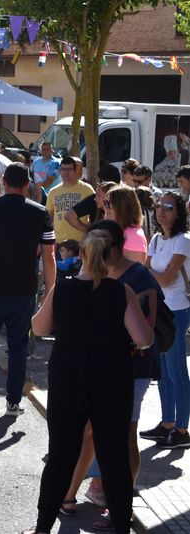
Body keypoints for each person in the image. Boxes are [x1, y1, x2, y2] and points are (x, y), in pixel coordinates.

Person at [25, 231, 152, 534]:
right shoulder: (122, 292)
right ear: (111, 257)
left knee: (60, 455)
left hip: (67, 375)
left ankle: (42, 528)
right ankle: (121, 526)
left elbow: (38, 328)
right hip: (112, 377)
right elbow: (144, 339)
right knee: (114, 456)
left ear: (81, 254)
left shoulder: (62, 289)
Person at [60, 220, 161, 527]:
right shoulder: (95, 275)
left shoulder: (138, 277)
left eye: (101, 244)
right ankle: (69, 496)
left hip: (132, 370)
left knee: (124, 437)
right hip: (101, 370)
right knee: (89, 433)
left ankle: (121, 508)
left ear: (116, 248)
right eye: (91, 243)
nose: (95, 249)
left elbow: (146, 333)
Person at [0, 163, 57, 416]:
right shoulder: (39, 213)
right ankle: (13, 402)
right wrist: (50, 291)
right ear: (27, 185)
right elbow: (49, 256)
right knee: (18, 346)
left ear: (3, 182)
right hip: (24, 290)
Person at [141, 191, 190, 450]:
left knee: (177, 371)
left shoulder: (183, 241)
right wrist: (152, 273)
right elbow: (148, 274)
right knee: (162, 372)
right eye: (160, 205)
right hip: (158, 311)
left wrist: (151, 272)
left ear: (179, 212)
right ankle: (167, 423)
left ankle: (182, 429)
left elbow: (166, 279)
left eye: (169, 207)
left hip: (177, 312)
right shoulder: (156, 239)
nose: (161, 210)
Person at [46, 156, 95, 246]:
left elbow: (95, 213)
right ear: (60, 171)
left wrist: (88, 230)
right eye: (63, 169)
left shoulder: (87, 189)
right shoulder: (53, 192)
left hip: (81, 241)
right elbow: (49, 217)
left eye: (69, 169)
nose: (65, 173)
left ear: (75, 171)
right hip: (60, 242)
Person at [103, 185, 147, 263]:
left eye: (109, 204)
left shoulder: (134, 236)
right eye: (105, 203)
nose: (105, 208)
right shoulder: (115, 231)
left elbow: (135, 270)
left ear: (123, 207)